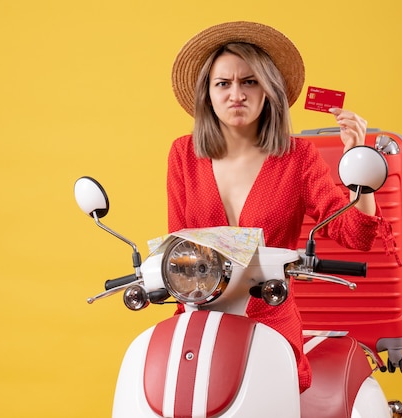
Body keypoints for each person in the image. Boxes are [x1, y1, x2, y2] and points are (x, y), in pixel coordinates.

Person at [167, 21, 389, 393]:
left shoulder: (298, 156)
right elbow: (178, 243)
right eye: (223, 83)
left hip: (270, 316)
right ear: (207, 94)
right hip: (197, 317)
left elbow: (356, 234)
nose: (236, 94)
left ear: (268, 90)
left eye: (249, 82)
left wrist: (359, 165)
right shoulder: (182, 154)